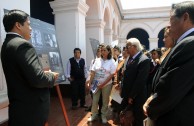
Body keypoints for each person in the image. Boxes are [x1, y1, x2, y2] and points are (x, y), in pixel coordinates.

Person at [1, 9, 59, 126]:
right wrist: (51, 76)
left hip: (19, 109)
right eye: (28, 24)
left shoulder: (7, 44)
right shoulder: (23, 45)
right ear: (18, 25)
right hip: (31, 112)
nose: (31, 28)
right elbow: (37, 79)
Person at [143, 1, 194, 126]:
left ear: (185, 17)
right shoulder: (184, 43)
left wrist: (151, 106)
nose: (168, 24)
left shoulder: (190, 43)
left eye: (171, 19)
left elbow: (171, 87)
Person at [121, 38, 150, 126]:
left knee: (137, 119)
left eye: (127, 46)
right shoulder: (128, 58)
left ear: (134, 47)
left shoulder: (144, 60)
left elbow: (140, 81)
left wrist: (132, 96)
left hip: (137, 96)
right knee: (126, 117)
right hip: (127, 95)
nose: (126, 49)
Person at [88, 44, 116, 124]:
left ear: (108, 51)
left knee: (105, 101)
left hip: (106, 84)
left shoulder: (112, 61)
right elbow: (93, 72)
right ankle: (94, 115)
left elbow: (111, 75)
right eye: (101, 50)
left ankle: (103, 116)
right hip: (96, 84)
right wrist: (90, 83)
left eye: (104, 50)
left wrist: (103, 84)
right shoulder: (97, 60)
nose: (102, 52)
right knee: (95, 100)